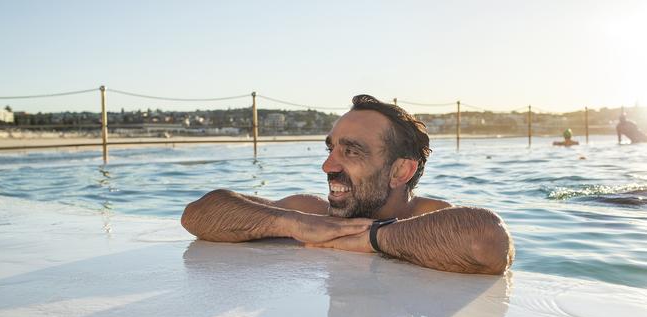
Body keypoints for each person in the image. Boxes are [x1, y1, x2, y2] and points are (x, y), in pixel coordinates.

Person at [181, 95, 514, 275]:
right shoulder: (311, 213)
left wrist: (371, 237)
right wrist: (292, 223)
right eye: (331, 149)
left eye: (351, 151)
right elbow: (198, 214)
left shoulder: (431, 218)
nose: (328, 166)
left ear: (400, 171)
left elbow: (486, 242)